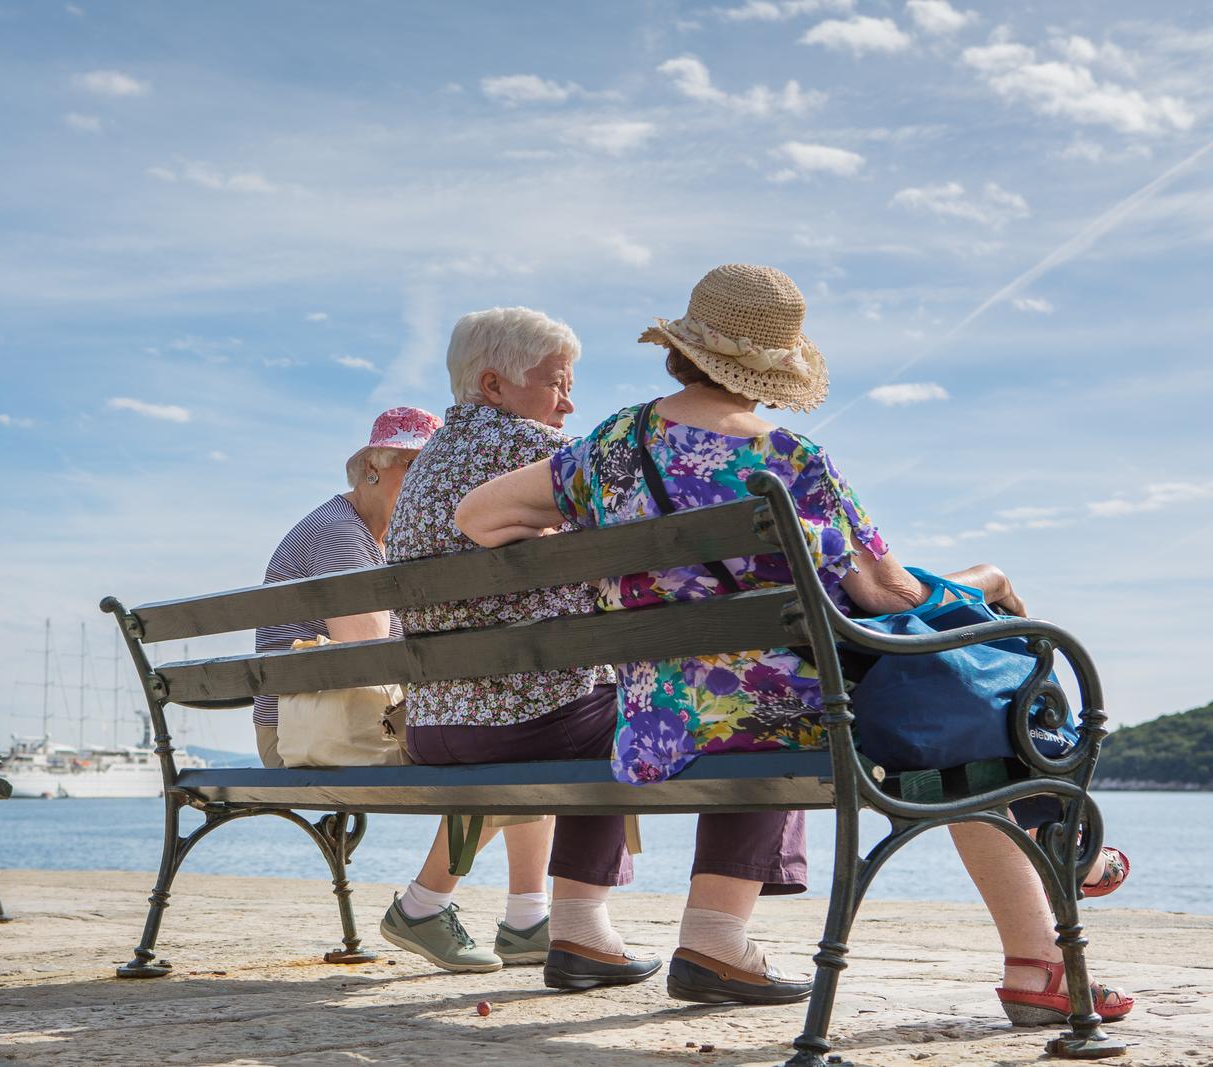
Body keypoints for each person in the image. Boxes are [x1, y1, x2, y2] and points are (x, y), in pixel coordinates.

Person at [455, 262, 1133, 1021]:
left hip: (655, 719)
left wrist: (601, 541)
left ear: (684, 348)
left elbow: (478, 517)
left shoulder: (614, 442)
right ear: (771, 366)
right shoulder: (792, 458)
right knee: (965, 720)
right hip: (786, 715)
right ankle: (1048, 919)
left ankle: (1054, 887)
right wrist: (983, 584)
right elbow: (886, 593)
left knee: (954, 709)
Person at [387, 306, 808, 996]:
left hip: (433, 727)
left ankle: (580, 932)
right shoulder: (534, 451)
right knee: (710, 711)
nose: (569, 402)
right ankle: (662, 935)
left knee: (610, 709)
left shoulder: (429, 460)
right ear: (493, 384)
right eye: (557, 384)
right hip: (525, 716)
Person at [252, 404, 555, 974]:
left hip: (334, 721)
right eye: (409, 466)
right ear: (372, 466)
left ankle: (526, 920)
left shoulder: (372, 535)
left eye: (430, 468)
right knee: (505, 742)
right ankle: (427, 908)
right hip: (311, 734)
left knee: (527, 728)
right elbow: (369, 656)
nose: (421, 482)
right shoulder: (343, 533)